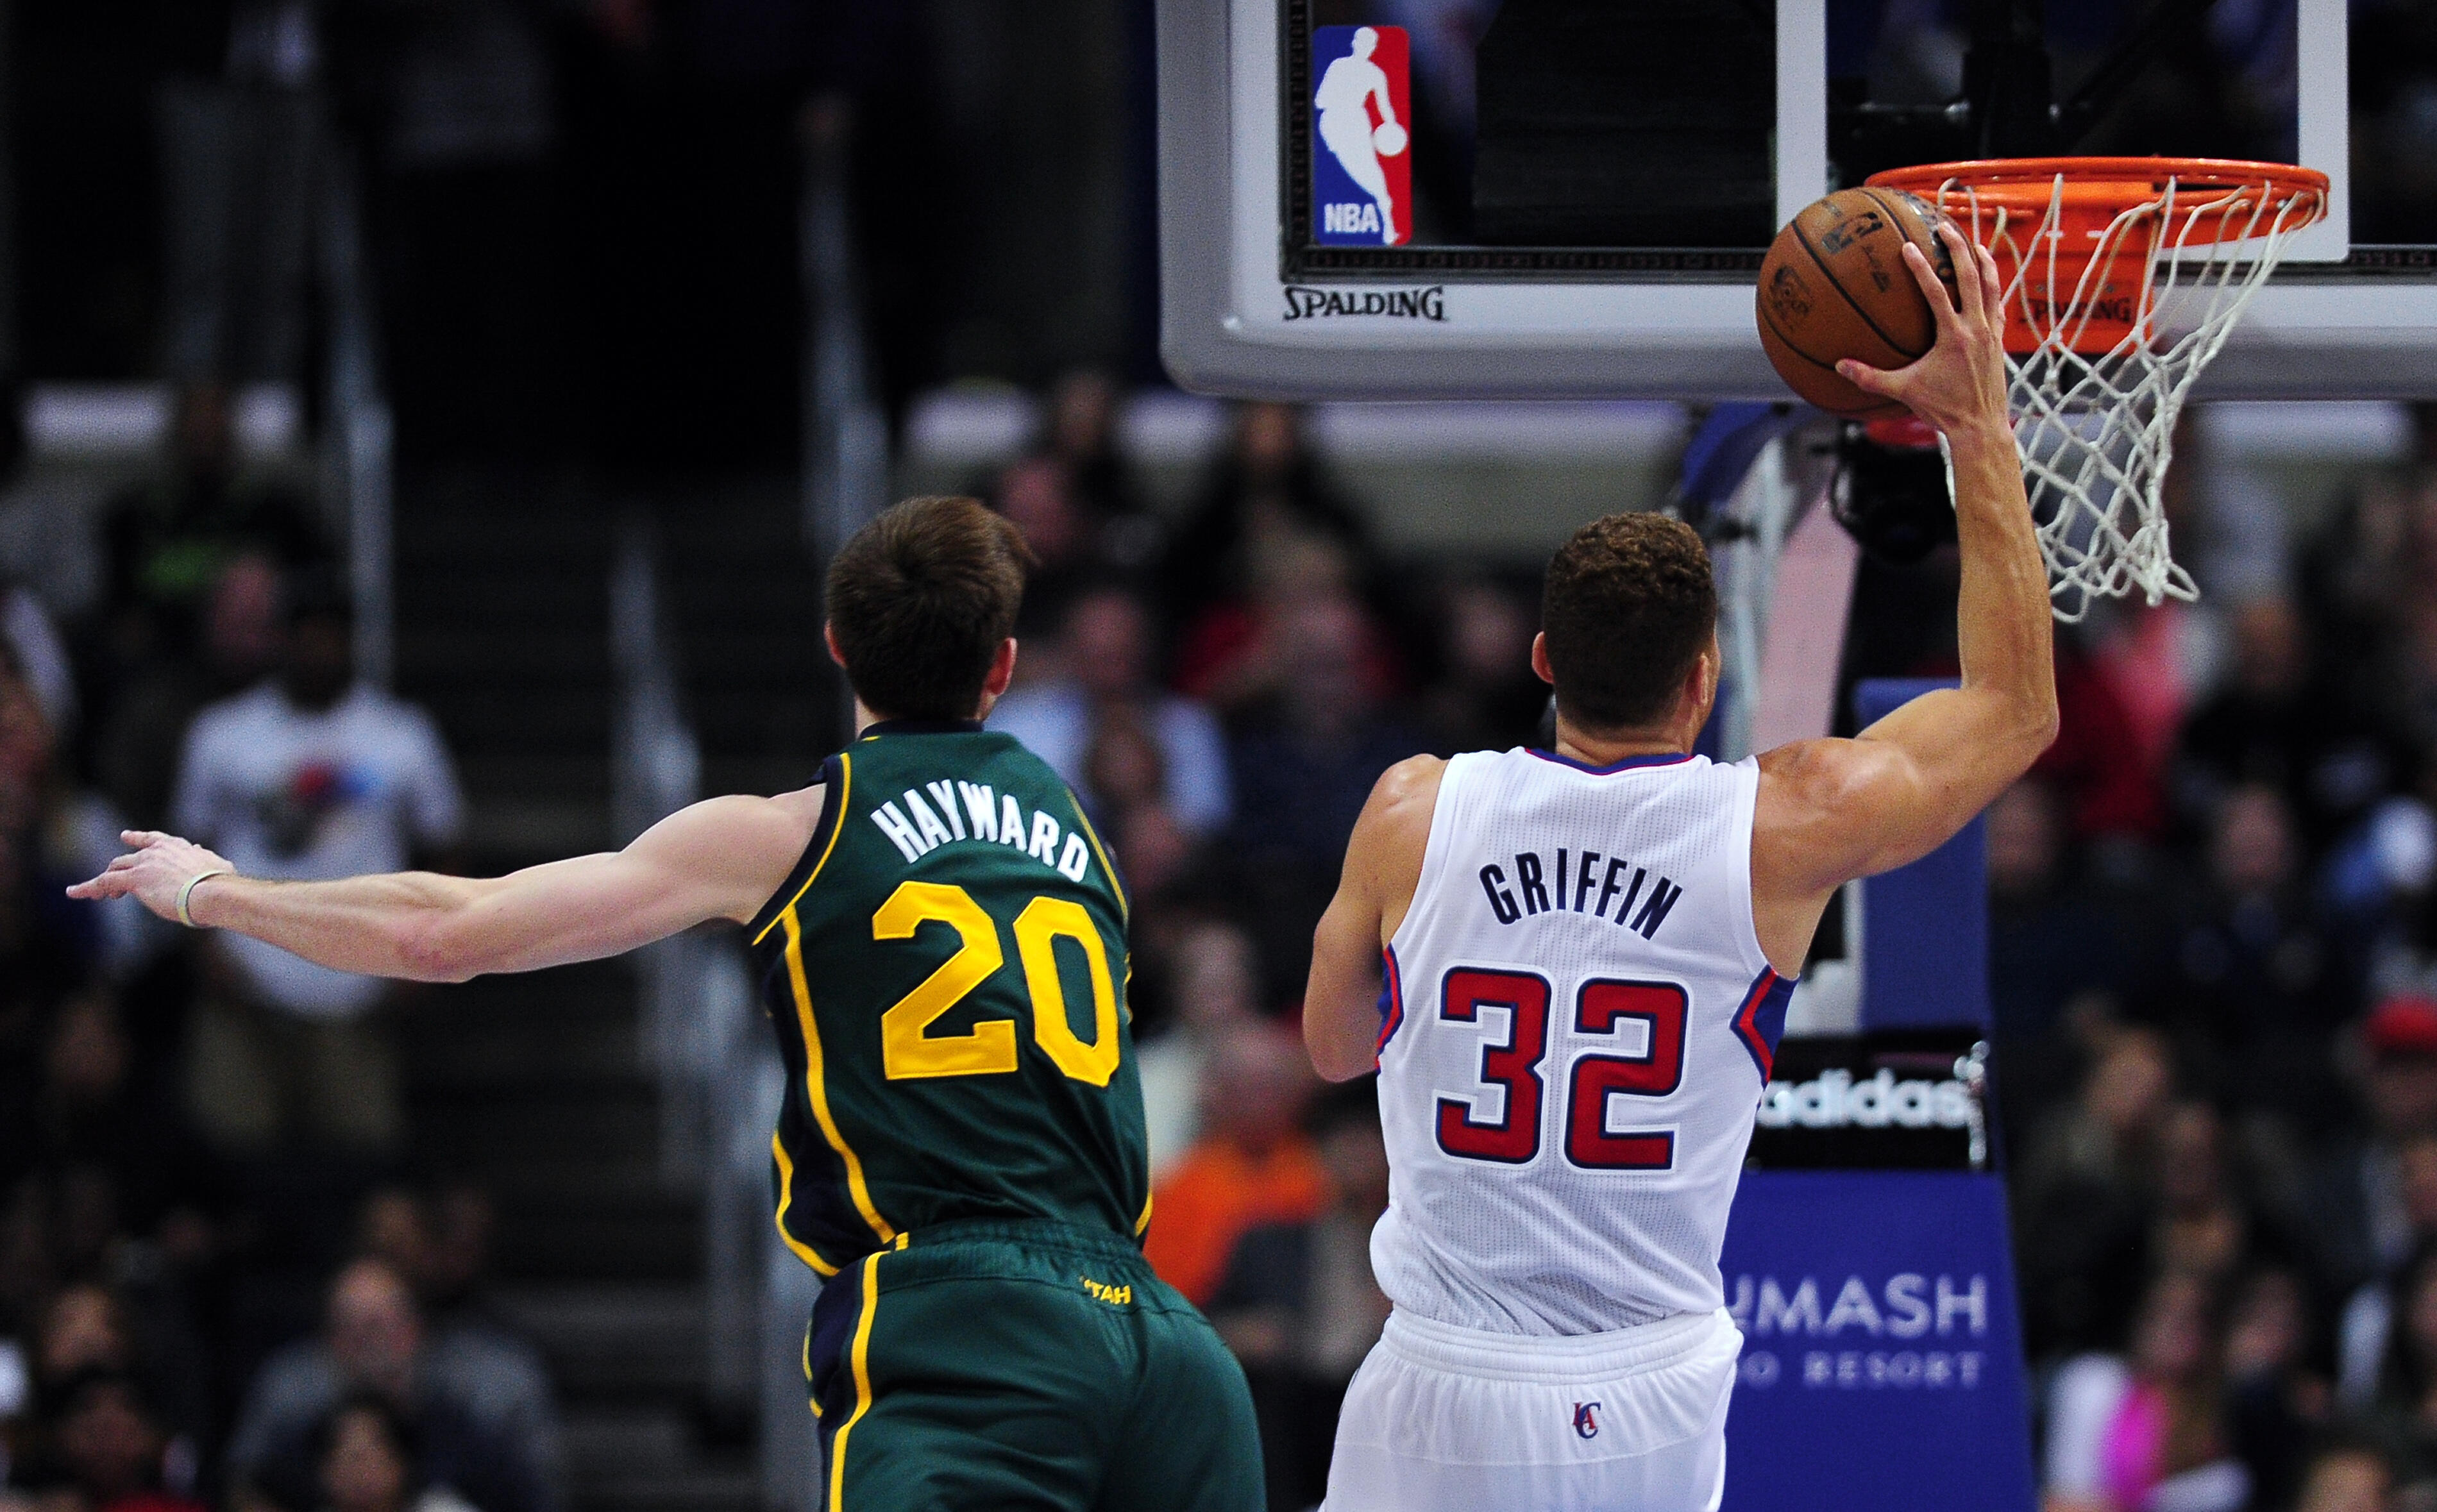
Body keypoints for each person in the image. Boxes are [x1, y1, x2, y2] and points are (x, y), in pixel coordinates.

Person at [70, 495, 1263, 1512]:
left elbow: (447, 932)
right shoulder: (1078, 833)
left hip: (972, 1323)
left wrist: (219, 892)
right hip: (1162, 1336)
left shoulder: (793, 830)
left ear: (837, 643)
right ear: (1003, 667)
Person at [1299, 226, 2055, 1509]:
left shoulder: (1410, 811)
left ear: (1542, 661)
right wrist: (1976, 430)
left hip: (1434, 1378)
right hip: (1639, 1391)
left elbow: (1331, 1049)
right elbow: (2013, 707)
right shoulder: (1783, 827)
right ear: (1706, 681)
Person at [168, 575, 464, 1155]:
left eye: (331, 635)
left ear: (353, 641)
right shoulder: (224, 735)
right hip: (248, 985)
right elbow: (181, 851)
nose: (318, 648)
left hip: (359, 988)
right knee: (235, 1156)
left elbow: (445, 850)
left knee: (357, 1160)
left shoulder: (400, 736)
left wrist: (424, 962)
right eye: (305, 634)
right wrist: (205, 953)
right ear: (281, 639)